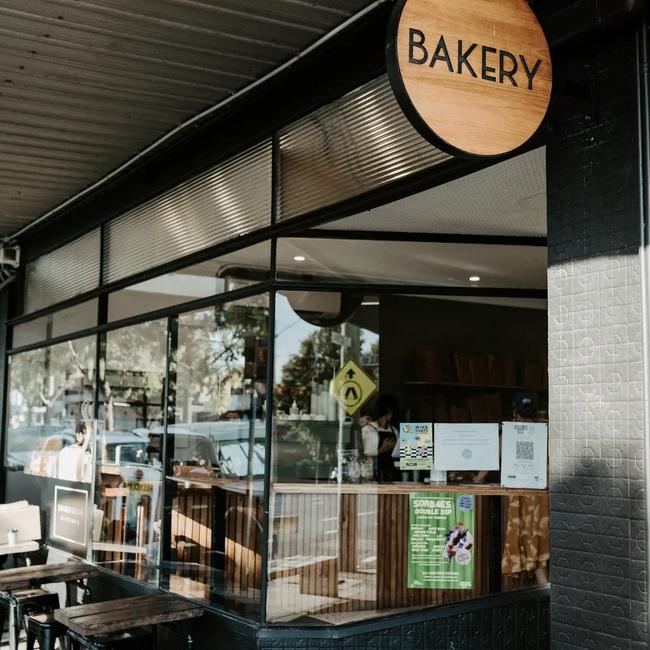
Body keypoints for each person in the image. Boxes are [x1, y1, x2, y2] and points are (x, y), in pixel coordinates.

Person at [501, 392, 550, 585]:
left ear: (515, 412)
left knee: (527, 539)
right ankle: (544, 589)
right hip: (542, 495)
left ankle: (543, 593)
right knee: (539, 541)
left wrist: (476, 478)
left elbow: (492, 455)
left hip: (523, 496)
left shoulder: (511, 432)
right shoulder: (545, 431)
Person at [361, 394, 400, 481]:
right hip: (373, 473)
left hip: (391, 471)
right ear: (389, 411)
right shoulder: (368, 429)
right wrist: (382, 449)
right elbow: (364, 456)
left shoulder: (394, 430)